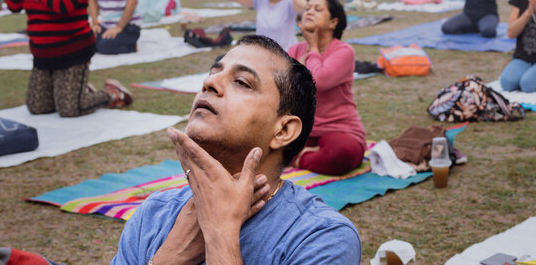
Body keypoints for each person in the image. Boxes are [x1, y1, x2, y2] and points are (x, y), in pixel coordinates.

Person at [110, 35, 361, 264]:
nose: (210, 82)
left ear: (283, 130)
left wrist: (220, 233)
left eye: (242, 82)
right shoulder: (153, 214)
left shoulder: (319, 238)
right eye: (213, 72)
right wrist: (172, 257)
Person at [6, 0, 132, 117]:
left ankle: (112, 94)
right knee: (37, 107)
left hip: (73, 53)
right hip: (42, 56)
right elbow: (12, 5)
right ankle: (81, 91)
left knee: (70, 109)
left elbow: (62, 5)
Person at [288, 0, 366, 175]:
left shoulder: (344, 51)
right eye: (307, 8)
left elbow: (319, 81)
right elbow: (283, 88)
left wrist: (313, 48)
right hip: (302, 129)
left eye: (318, 9)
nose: (309, 12)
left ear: (333, 23)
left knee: (341, 155)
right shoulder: (294, 49)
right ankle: (308, 154)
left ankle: (299, 157)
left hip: (338, 128)